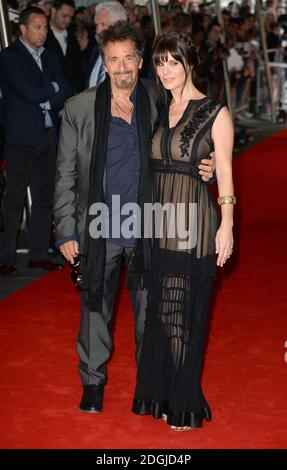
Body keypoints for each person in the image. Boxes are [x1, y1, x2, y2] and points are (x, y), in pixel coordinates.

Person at [53, 22, 215, 414]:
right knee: (95, 308)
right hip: (98, 224)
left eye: (129, 58)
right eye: (114, 59)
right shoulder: (79, 108)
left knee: (150, 313)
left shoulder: (159, 100)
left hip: (148, 223)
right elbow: (65, 174)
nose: (122, 66)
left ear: (140, 62)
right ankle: (93, 382)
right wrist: (66, 229)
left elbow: (186, 143)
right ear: (104, 64)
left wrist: (204, 165)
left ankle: (149, 383)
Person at [131, 30, 235, 431]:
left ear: (189, 63)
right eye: (160, 62)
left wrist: (226, 226)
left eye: (174, 61)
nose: (167, 70)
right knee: (161, 310)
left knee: (181, 314)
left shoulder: (214, 112)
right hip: (159, 223)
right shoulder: (161, 107)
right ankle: (164, 392)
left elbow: (223, 172)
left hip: (193, 222)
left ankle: (186, 400)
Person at [0, 7, 71, 276]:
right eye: (38, 27)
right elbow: (28, 92)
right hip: (20, 138)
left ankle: (38, 253)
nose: (43, 33)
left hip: (48, 135)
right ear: (23, 29)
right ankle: (5, 257)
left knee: (44, 198)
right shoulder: (9, 57)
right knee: (14, 200)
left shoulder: (50, 56)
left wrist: (49, 91)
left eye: (44, 28)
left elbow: (64, 89)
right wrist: (50, 88)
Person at [87, 1, 127, 88]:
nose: (98, 30)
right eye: (97, 25)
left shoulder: (126, 56)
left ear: (118, 26)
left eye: (102, 24)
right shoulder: (95, 51)